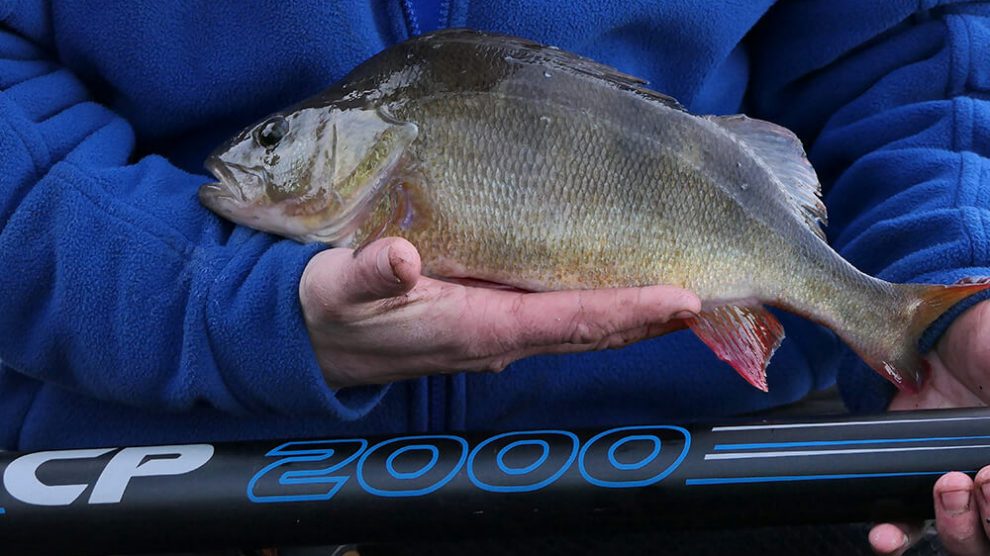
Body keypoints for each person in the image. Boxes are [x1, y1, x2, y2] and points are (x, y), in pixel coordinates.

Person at [0, 1, 988, 554]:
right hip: (165, 493)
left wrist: (952, 291)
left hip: (703, 483)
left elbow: (906, 43)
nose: (254, 157)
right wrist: (230, 302)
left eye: (275, 144)